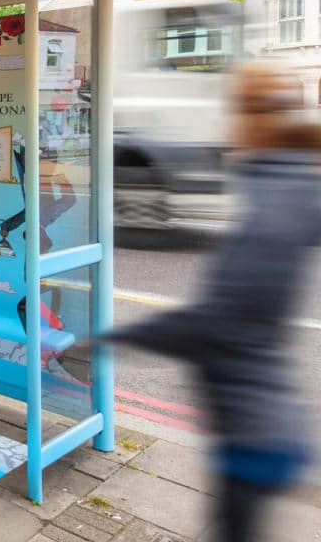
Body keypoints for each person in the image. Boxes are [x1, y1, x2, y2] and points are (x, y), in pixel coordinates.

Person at [103, 65, 319, 542]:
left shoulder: (273, 205)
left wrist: (107, 338)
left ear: (256, 119)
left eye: (236, 111)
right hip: (260, 424)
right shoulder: (288, 185)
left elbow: (212, 324)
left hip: (254, 429)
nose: (228, 126)